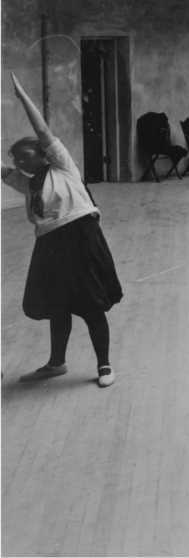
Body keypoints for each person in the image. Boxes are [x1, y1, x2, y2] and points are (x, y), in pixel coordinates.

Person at [3, 74, 124, 389]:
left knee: (91, 305)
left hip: (82, 240)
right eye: (15, 159)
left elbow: (42, 130)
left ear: (43, 154)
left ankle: (104, 364)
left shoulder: (62, 166)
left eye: (24, 156)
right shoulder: (27, 182)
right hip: (50, 247)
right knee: (59, 306)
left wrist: (21, 96)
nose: (18, 162)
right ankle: (56, 363)